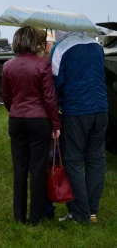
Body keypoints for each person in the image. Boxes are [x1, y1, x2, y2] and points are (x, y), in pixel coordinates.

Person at [2, 26, 61, 224]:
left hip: (17, 119)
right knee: (37, 168)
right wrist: (55, 124)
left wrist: (15, 110)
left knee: (19, 168)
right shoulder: (42, 65)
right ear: (34, 42)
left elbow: (7, 97)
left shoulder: (7, 65)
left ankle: (19, 215)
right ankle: (35, 216)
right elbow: (50, 99)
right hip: (39, 120)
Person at [51, 31, 108, 224]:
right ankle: (92, 211)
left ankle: (79, 213)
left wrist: (55, 115)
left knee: (73, 160)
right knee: (96, 159)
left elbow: (56, 82)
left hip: (76, 110)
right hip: (101, 109)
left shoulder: (61, 48)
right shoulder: (97, 46)